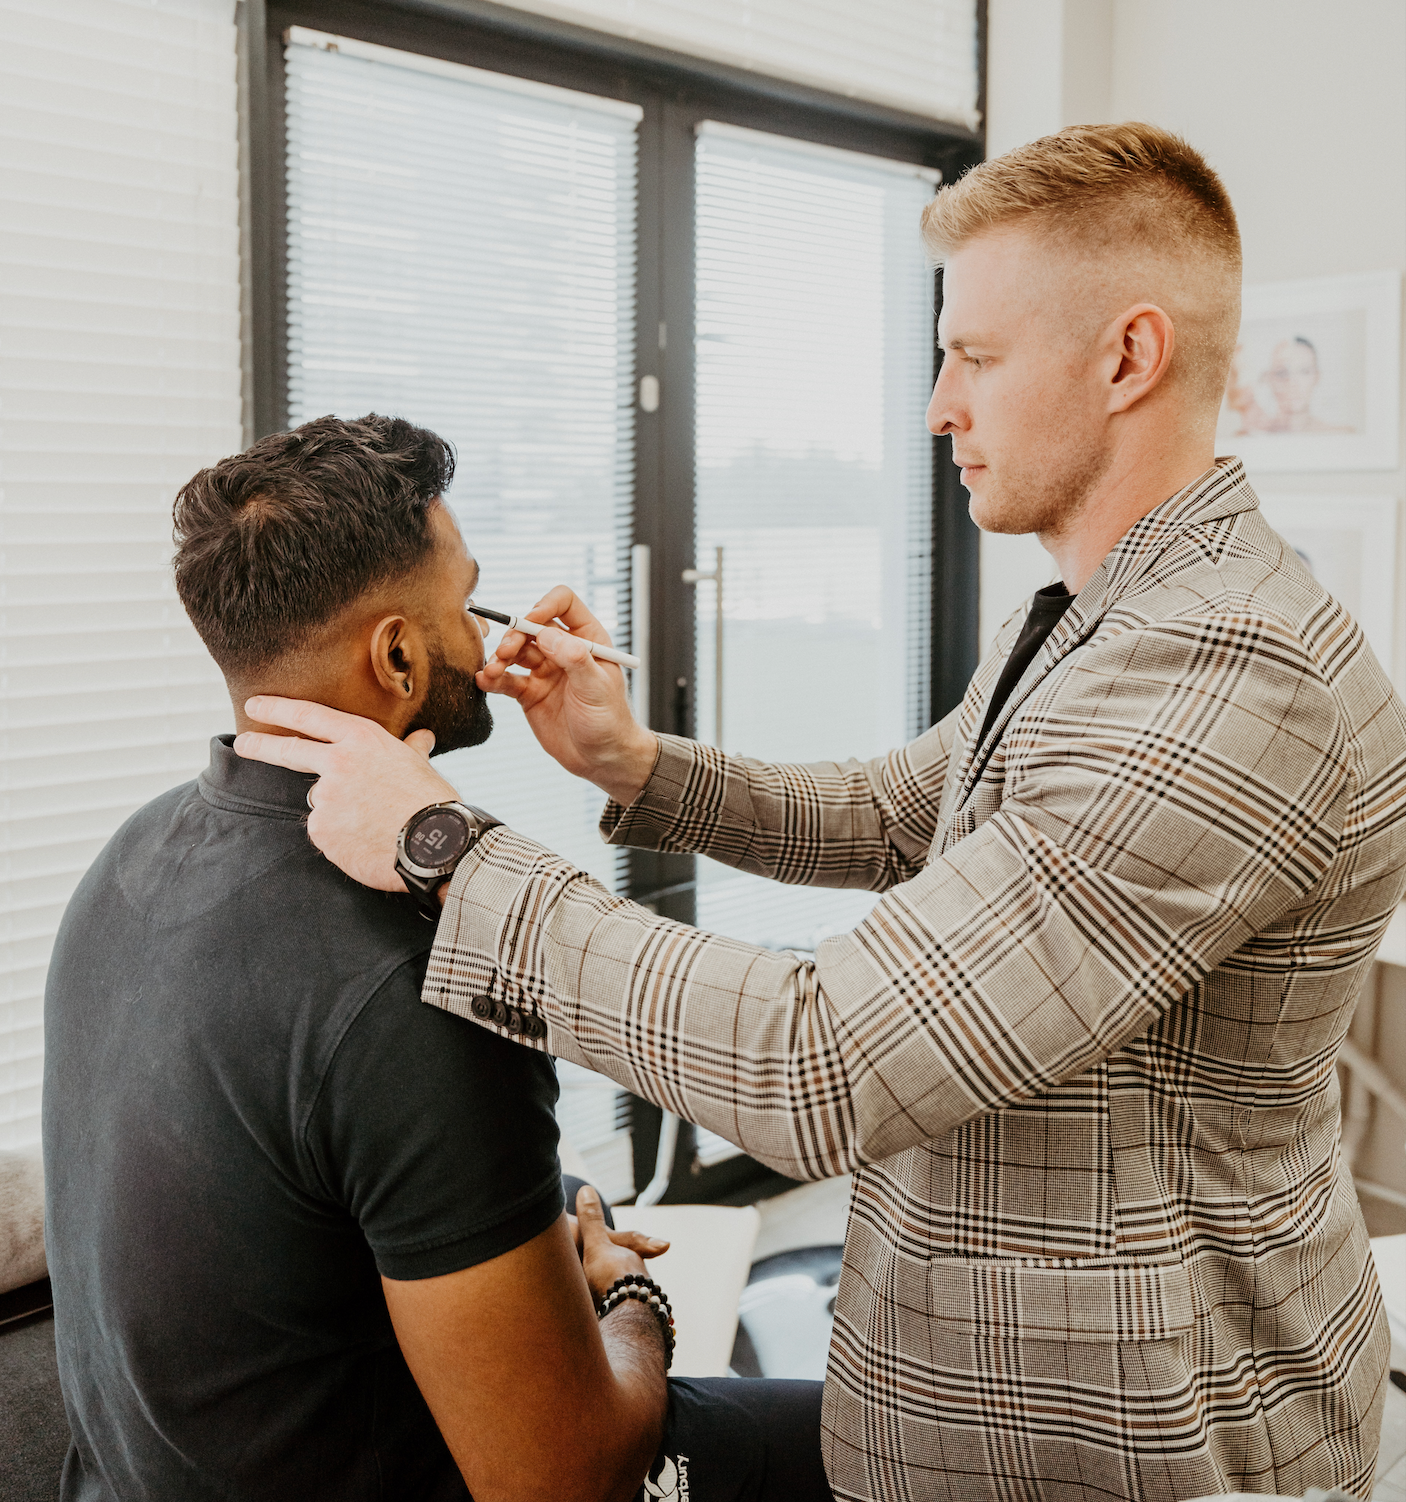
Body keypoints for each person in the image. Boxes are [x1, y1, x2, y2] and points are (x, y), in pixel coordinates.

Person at [235, 124, 1406, 1502]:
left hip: (1126, 1447)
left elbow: (822, 1063)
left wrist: (445, 847)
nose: (934, 407)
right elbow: (900, 811)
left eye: (971, 355)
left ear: (1127, 357)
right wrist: (632, 760)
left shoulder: (1222, 672)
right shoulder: (1106, 620)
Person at [43, 414, 832, 1502]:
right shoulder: (426, 966)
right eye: (467, 602)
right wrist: (623, 1300)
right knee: (860, 1440)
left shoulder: (129, 860)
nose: (487, 632)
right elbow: (568, 1477)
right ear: (399, 656)